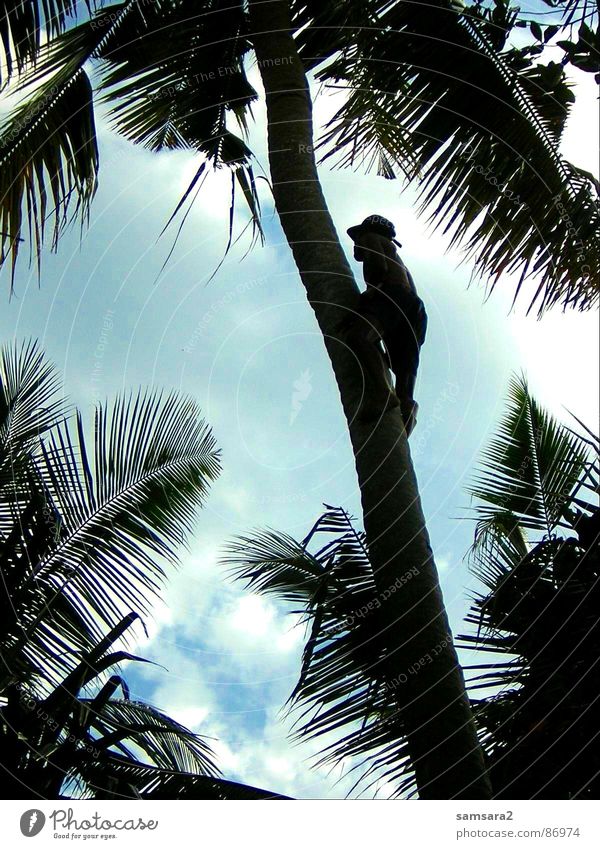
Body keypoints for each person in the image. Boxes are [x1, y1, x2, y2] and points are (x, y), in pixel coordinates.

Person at [344, 215, 427, 435]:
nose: (356, 244)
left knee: (358, 337)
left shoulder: (372, 238)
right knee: (403, 370)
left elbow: (377, 267)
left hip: (392, 295)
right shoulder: (401, 263)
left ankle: (382, 395)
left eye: (357, 238)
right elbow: (411, 302)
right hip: (414, 309)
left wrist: (369, 295)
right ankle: (408, 407)